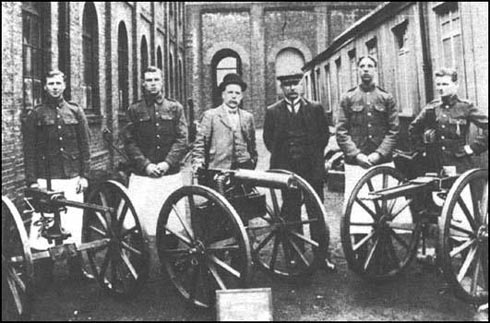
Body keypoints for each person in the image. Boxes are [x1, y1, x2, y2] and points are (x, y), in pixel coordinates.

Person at [263, 67, 336, 272]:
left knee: (316, 213)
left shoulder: (315, 108)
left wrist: (313, 158)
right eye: (287, 84)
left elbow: (323, 136)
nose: (292, 88)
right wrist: (285, 161)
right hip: (287, 172)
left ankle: (322, 256)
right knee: (291, 212)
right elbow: (269, 141)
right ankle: (295, 254)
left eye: (296, 83)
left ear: (302, 85)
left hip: (312, 171)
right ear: (282, 88)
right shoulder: (273, 111)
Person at [23, 69, 91, 281]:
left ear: (64, 85)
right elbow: (30, 151)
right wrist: (33, 182)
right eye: (50, 83)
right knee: (43, 225)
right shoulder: (36, 114)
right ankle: (44, 272)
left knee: (73, 224)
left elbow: (85, 146)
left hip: (72, 178)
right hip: (46, 179)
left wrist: (84, 175)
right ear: (45, 86)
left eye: (58, 83)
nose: (54, 87)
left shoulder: (75, 112)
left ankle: (76, 269)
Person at [336, 56, 402, 260]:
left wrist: (378, 154)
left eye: (370, 66)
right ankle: (361, 249)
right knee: (357, 206)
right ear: (357, 70)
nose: (366, 70)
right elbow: (341, 131)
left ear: (376, 69)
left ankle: (382, 250)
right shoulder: (348, 98)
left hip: (381, 164)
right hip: (357, 165)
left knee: (383, 207)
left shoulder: (386, 98)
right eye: (362, 66)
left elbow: (394, 130)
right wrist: (357, 155)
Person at [122, 66, 188, 237]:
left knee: (171, 226)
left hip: (169, 176)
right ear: (143, 84)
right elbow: (129, 142)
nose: (153, 84)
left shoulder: (175, 108)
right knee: (140, 225)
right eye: (149, 80)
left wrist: (167, 163)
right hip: (144, 177)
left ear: (162, 82)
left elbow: (182, 139)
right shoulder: (134, 110)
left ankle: (170, 262)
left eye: (156, 80)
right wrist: (146, 165)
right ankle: (141, 263)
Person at [409, 67, 488, 174]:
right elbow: (414, 129)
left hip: (459, 163)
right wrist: (422, 150)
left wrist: (473, 148)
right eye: (438, 84)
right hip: (435, 164)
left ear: (456, 85)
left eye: (445, 84)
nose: (441, 88)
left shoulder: (465, 107)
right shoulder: (432, 107)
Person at [192, 73, 257, 171]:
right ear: (223, 94)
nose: (234, 96)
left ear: (241, 96)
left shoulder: (248, 117)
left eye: (237, 93)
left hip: (244, 169)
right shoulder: (210, 116)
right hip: (218, 169)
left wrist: (252, 161)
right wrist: (198, 162)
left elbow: (252, 144)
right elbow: (200, 144)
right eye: (230, 92)